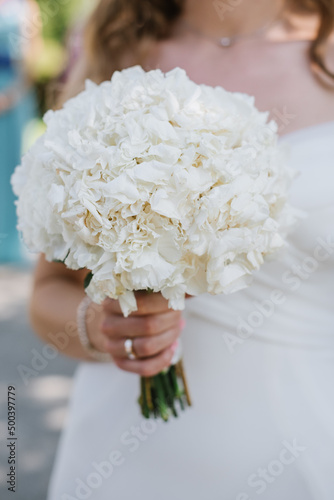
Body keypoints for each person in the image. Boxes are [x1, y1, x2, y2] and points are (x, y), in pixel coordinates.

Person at [29, 1, 334, 499]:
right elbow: (48, 292)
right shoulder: (119, 51)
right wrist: (101, 328)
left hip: (305, 446)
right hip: (120, 458)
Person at [0, 0, 39, 263]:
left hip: (12, 95)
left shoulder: (27, 7)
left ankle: (7, 238)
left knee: (10, 166)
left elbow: (33, 58)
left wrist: (10, 95)